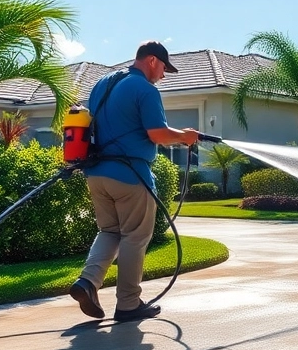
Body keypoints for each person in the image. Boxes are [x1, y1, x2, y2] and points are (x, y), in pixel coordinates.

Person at [69, 41, 200, 321]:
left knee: (109, 232)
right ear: (152, 61)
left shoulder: (103, 83)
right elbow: (157, 133)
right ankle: (128, 303)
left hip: (97, 174)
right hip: (130, 175)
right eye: (164, 67)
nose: (163, 75)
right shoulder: (145, 89)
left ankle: (87, 282)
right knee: (135, 236)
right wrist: (184, 136)